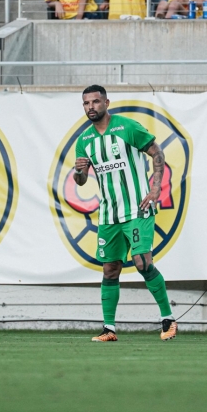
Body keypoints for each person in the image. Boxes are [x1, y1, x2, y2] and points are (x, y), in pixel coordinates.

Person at [74, 85, 177, 343]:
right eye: (86, 103)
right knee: (110, 269)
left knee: (142, 261)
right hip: (109, 213)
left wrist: (155, 188)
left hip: (137, 208)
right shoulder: (84, 141)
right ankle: (109, 329)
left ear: (107, 102)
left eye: (96, 102)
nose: (91, 107)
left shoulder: (126, 127)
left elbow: (157, 152)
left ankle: (168, 319)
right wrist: (78, 171)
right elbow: (82, 181)